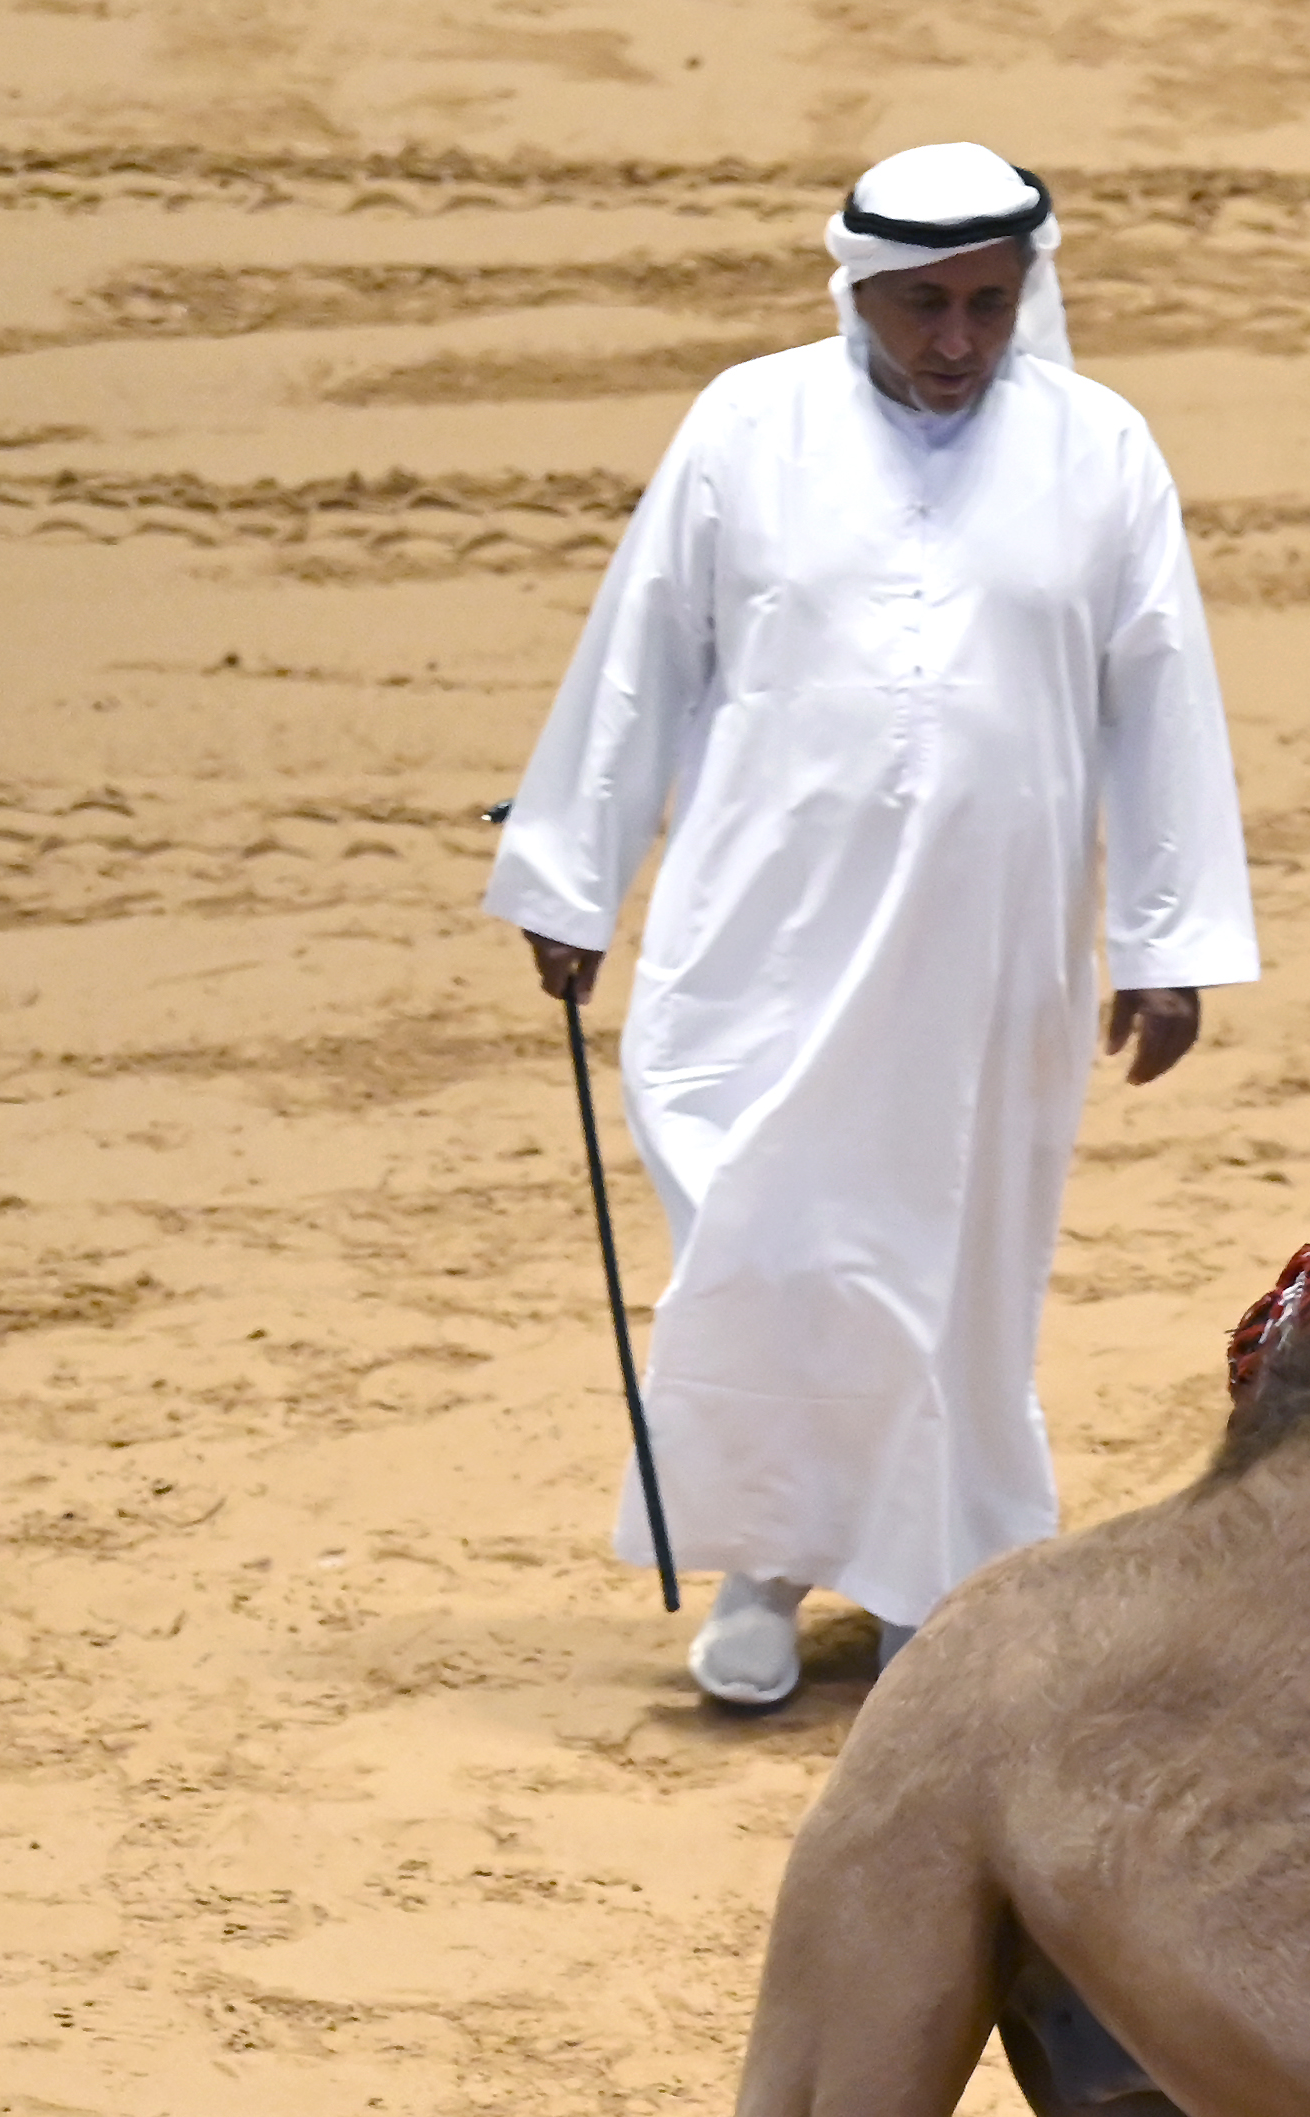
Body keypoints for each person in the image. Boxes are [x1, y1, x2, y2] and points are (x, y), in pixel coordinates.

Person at [484, 142, 1255, 1709]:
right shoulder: (746, 427)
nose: (956, 340)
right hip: (758, 936)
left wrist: (1166, 942)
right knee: (770, 1240)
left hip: (989, 952)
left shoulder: (1100, 449)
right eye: (921, 305)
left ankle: (936, 1584)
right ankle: (765, 1565)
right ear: (857, 289)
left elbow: (1159, 697)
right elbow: (642, 655)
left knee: (957, 1263)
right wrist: (575, 877)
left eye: (988, 302)